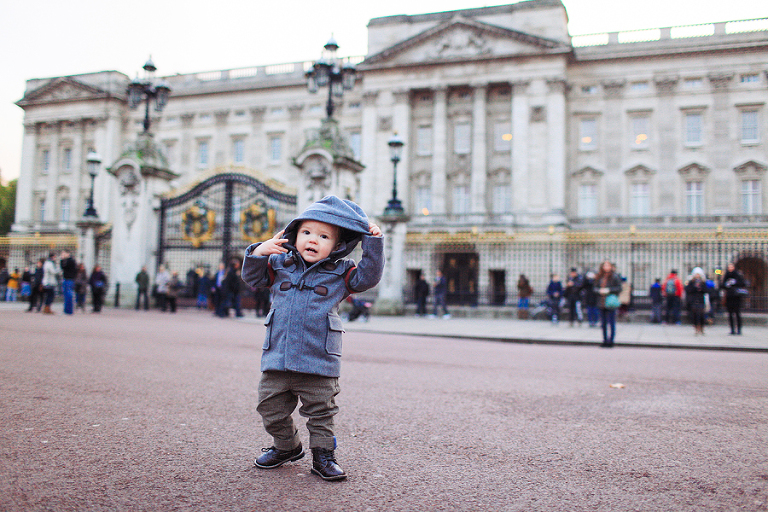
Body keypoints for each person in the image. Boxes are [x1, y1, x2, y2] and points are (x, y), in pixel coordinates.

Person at [241, 195, 384, 482]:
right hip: (278, 355)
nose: (313, 240)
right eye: (306, 232)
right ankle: (287, 446)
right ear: (295, 234)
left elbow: (368, 278)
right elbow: (253, 279)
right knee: (269, 407)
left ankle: (323, 456)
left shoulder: (342, 272)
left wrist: (373, 242)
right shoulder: (279, 263)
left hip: (318, 358)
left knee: (321, 413)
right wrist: (258, 252)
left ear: (338, 244)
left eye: (323, 236)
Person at [595, 260, 622, 347]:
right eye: (605, 265)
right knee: (603, 323)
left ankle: (611, 341)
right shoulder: (599, 276)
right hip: (601, 302)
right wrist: (599, 291)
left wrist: (608, 290)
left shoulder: (615, 276)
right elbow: (594, 288)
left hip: (610, 302)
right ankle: (605, 340)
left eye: (608, 265)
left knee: (611, 322)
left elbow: (619, 288)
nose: (606, 267)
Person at [721, 262, 747, 335]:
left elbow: (742, 283)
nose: (730, 268)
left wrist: (735, 283)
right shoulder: (726, 275)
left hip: (736, 296)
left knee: (737, 313)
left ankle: (739, 329)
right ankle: (732, 329)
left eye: (731, 267)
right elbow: (722, 285)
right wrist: (726, 284)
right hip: (729, 297)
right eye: (729, 267)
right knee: (730, 314)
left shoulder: (737, 275)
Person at [686, 267, 708, 336]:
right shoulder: (691, 282)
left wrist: (700, 288)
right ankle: (696, 328)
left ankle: (701, 327)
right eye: (696, 274)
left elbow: (706, 291)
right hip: (694, 300)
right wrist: (695, 287)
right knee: (695, 315)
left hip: (701, 300)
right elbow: (688, 290)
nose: (697, 276)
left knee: (701, 315)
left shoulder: (703, 282)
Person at [60, 250, 77, 314]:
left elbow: (64, 267)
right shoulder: (67, 261)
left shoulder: (70, 261)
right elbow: (63, 267)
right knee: (66, 295)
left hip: (69, 279)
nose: (63, 255)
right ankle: (66, 310)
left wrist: (62, 260)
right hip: (66, 279)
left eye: (64, 254)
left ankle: (69, 310)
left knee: (69, 295)